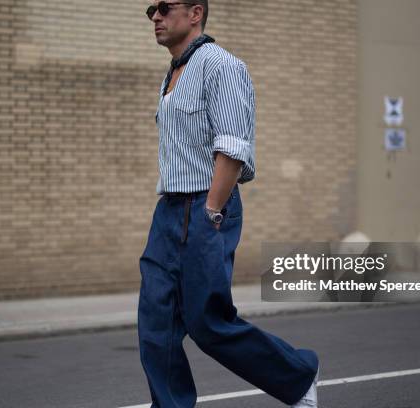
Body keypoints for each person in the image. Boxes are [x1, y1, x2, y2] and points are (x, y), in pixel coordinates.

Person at [137, 1, 320, 406]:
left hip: (206, 207)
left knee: (208, 323)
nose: (155, 16)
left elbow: (234, 147)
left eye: (165, 7)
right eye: (151, 9)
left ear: (196, 12)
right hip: (168, 210)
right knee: (155, 324)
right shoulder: (172, 75)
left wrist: (211, 211)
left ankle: (298, 376)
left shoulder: (222, 67)